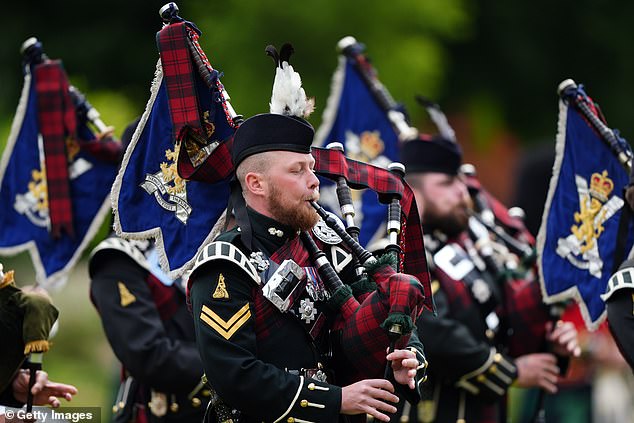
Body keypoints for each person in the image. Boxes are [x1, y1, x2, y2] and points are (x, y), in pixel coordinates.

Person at [187, 88, 430, 422]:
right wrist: (335, 399)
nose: (315, 182)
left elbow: (377, 310)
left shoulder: (328, 245)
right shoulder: (226, 264)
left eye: (312, 168)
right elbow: (234, 374)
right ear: (257, 184)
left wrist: (404, 355)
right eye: (297, 170)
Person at [397, 136, 580, 423]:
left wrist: (546, 340)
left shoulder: (470, 247)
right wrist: (512, 371)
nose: (462, 192)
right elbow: (435, 334)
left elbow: (501, 320)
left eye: (461, 181)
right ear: (413, 193)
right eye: (447, 184)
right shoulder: (396, 251)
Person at [88, 120, 208, 423]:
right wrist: (235, 363)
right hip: (162, 412)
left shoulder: (199, 243)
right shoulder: (117, 260)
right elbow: (149, 355)